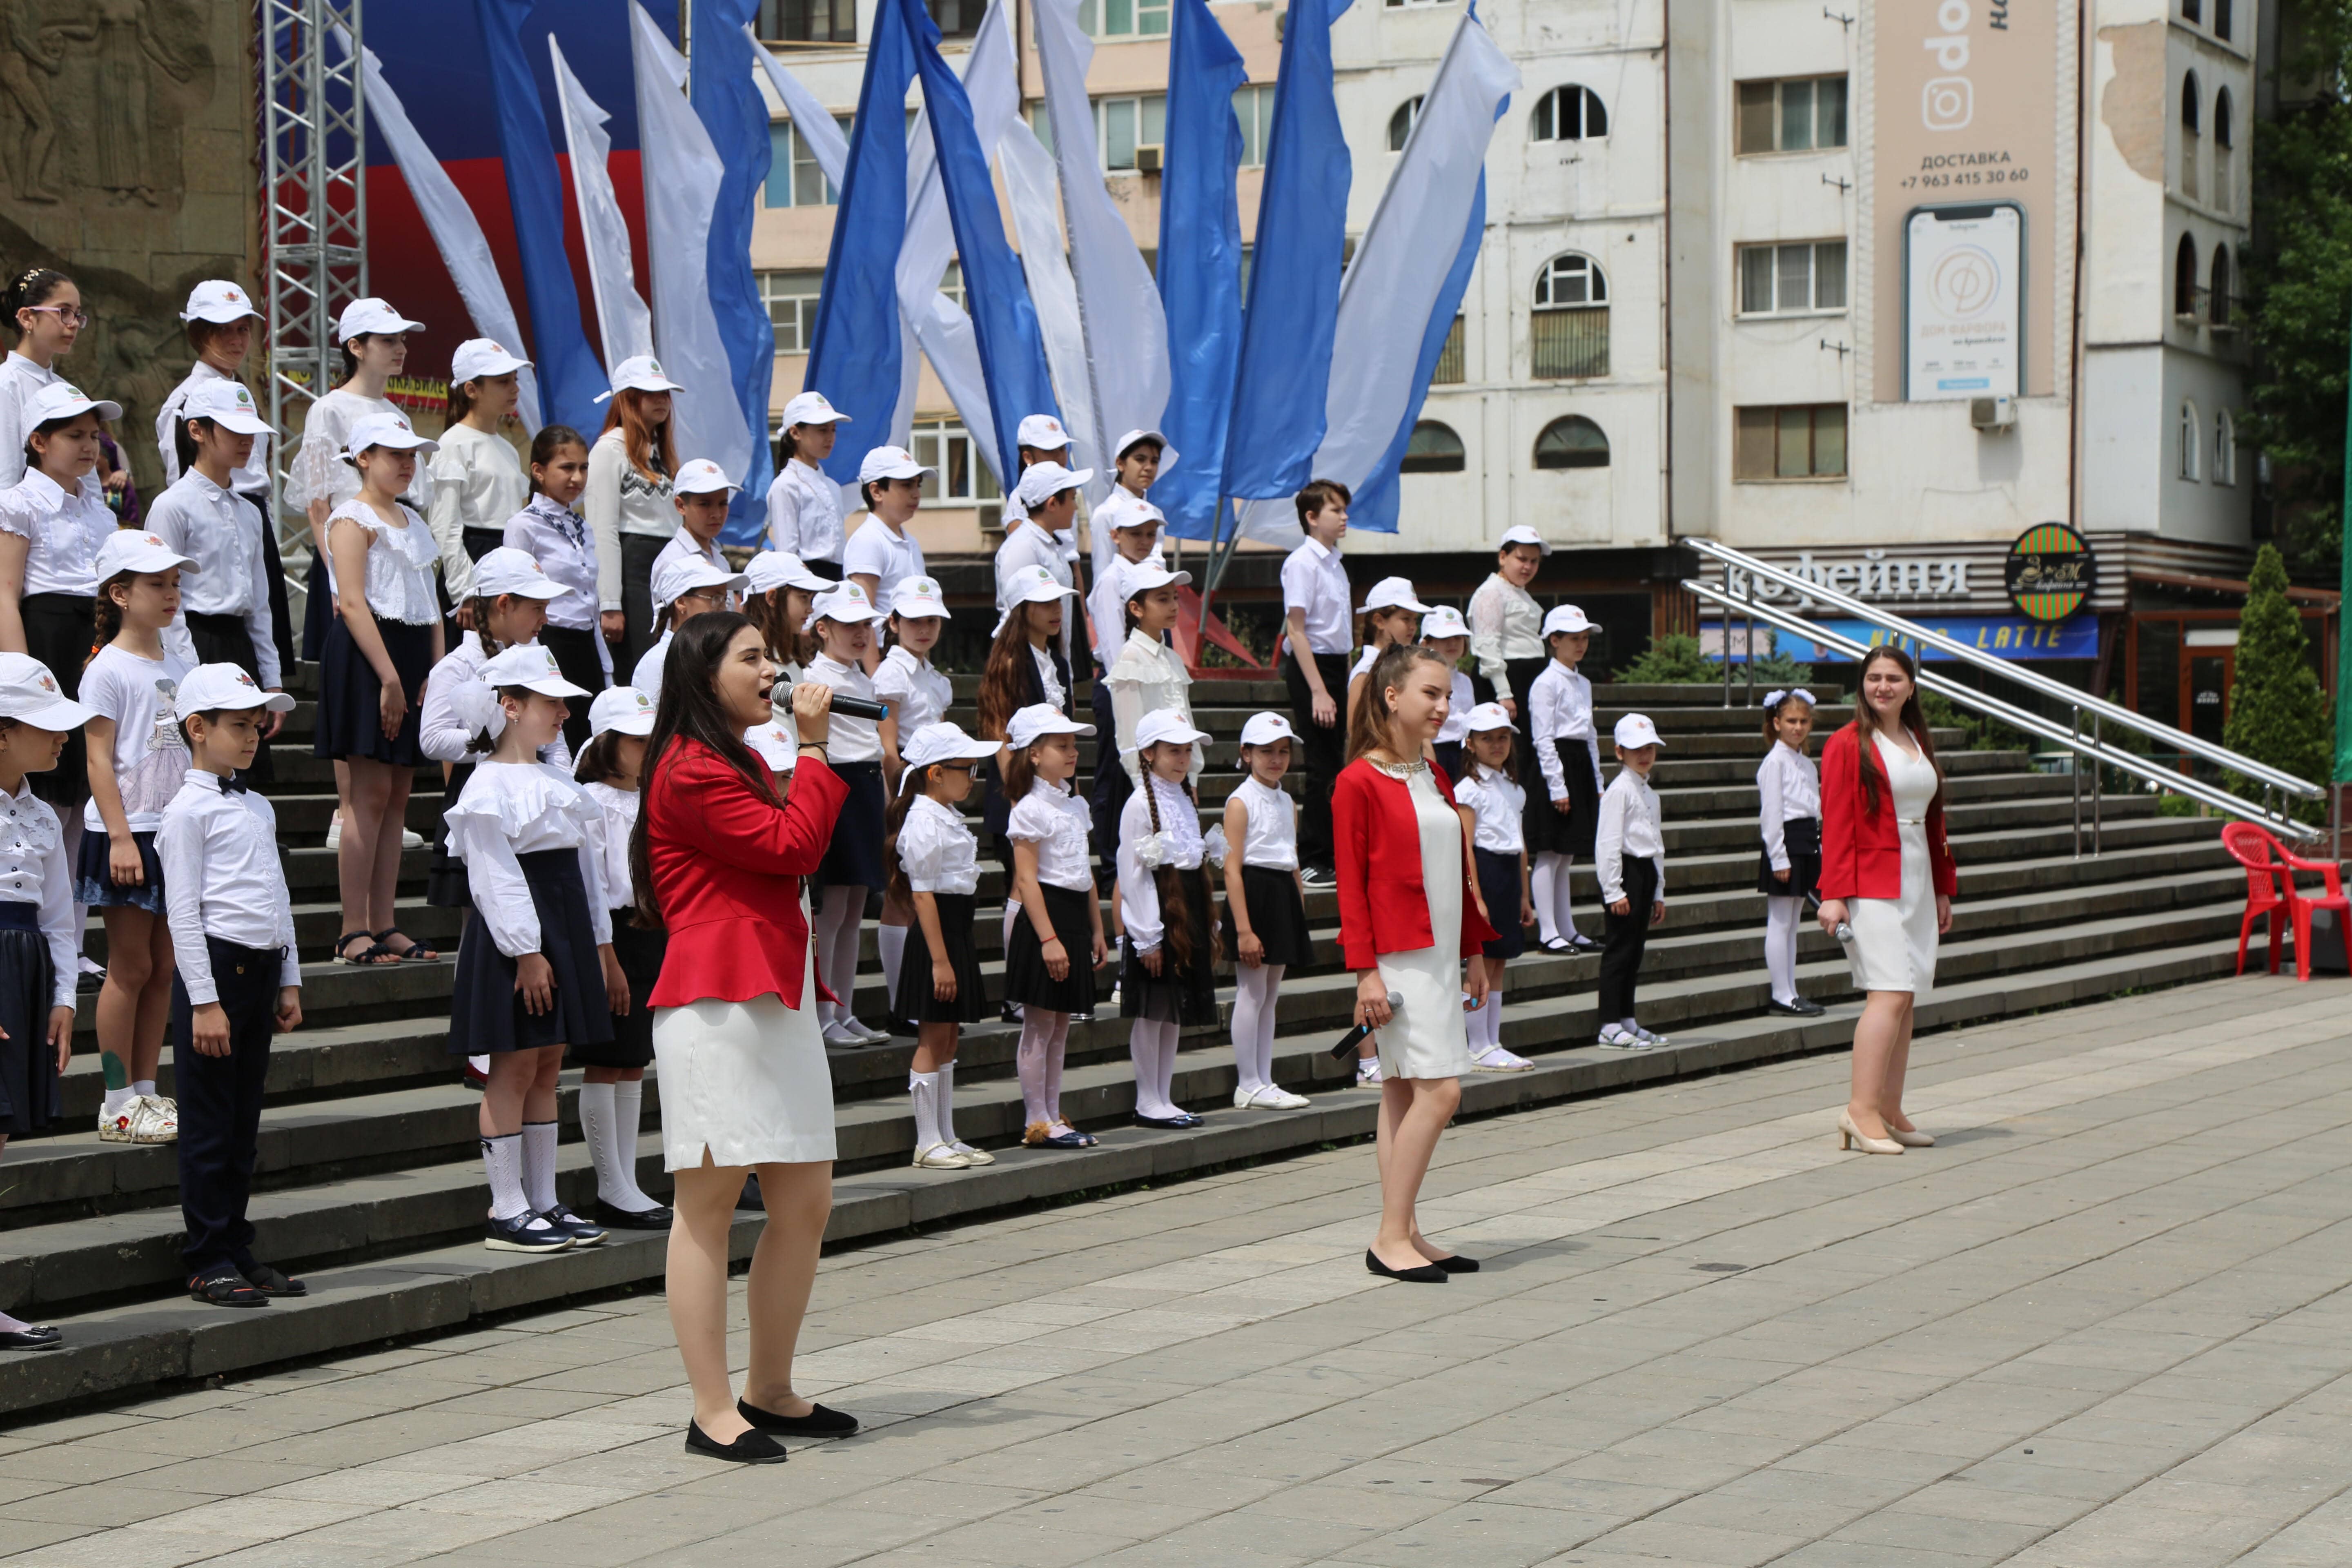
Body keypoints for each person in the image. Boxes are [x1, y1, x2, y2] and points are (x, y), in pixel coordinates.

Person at [635, 610, 857, 1463]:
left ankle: (770, 1387)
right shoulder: (689, 771)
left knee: (806, 1200)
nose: (774, 670)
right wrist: (812, 747)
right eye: (753, 658)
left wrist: (805, 753)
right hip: (717, 1006)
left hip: (777, 995)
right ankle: (710, 1406)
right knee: (710, 1205)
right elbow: (794, 844)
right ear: (703, 674)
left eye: (771, 655)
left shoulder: (729, 759)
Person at [445, 645, 618, 1253]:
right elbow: (493, 875)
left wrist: (598, 943)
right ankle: (507, 1205)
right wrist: (526, 951)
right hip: (520, 933)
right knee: (514, 1064)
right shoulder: (488, 783)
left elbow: (585, 872)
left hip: (562, 922)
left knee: (548, 1062)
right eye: (551, 702)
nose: (563, 712)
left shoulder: (556, 779)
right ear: (510, 707)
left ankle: (544, 1199)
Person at [1334, 644, 1494, 1283]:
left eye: (1449, 695)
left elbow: (1456, 867)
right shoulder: (1357, 782)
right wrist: (1364, 972)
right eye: (1432, 693)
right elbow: (1350, 887)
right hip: (1398, 960)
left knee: (1403, 1090)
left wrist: (1474, 950)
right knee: (1442, 1089)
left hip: (1441, 954)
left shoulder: (1432, 773)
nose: (1444, 706)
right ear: (1392, 696)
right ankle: (1389, 1236)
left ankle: (1405, 1229)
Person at [158, 663, 304, 1308]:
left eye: (256, 725)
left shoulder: (257, 804)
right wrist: (204, 1001)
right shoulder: (187, 812)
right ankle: (207, 1255)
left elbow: (277, 895)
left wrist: (290, 977)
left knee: (243, 1122)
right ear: (198, 729)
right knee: (210, 1122)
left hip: (261, 968)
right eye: (239, 725)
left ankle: (237, 1246)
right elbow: (183, 913)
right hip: (217, 972)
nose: (253, 736)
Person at [284, 298, 431, 857]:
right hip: (348, 569)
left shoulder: (397, 414)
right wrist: (335, 575)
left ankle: (379, 809)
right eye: (387, 339)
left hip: (393, 571)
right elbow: (319, 503)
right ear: (354, 346)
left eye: (403, 339)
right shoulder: (329, 409)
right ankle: (345, 808)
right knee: (354, 693)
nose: (400, 348)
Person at [79, 530, 200, 1144]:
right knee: (128, 967)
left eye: (175, 582)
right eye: (157, 583)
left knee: (164, 968)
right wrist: (122, 836)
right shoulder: (106, 668)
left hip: (175, 831)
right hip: (128, 833)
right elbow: (99, 760)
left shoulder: (181, 661)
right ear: (120, 593)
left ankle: (149, 1093)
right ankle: (115, 1098)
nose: (171, 593)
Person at [317, 413, 446, 967]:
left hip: (413, 657)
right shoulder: (351, 518)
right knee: (366, 798)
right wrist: (389, 676)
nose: (405, 462)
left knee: (397, 799)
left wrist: (435, 674)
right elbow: (350, 602)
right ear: (363, 457)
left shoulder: (414, 521)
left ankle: (384, 920)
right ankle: (353, 928)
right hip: (369, 658)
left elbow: (431, 603)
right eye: (392, 452)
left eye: (411, 453)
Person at [1817, 644, 1956, 1155]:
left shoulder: (1916, 740)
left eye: (1893, 678)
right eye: (1873, 678)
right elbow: (1834, 823)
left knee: (1908, 995)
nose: (1883, 687)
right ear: (1862, 685)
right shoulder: (1847, 743)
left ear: (1911, 687)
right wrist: (1833, 895)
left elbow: (1935, 818)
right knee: (1890, 993)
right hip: (1870, 882)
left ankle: (1890, 1107)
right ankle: (1860, 1110)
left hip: (1917, 876)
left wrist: (1943, 887)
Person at [0, 381, 119, 905]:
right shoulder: (19, 503)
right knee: (48, 790)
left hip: (95, 643)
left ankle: (69, 942)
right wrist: (23, 675)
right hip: (45, 637)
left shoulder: (101, 512)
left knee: (83, 793)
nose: (90, 447)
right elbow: (6, 592)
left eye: (94, 436)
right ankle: (31, 918)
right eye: (75, 435)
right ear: (39, 441)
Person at [0, 654, 88, 1351]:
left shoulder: (39, 810)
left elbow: (59, 916)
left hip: (24, 974)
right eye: (45, 726)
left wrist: (62, 997)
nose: (62, 739)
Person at [419, 548, 575, 917]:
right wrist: (496, 739)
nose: (545, 619)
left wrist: (562, 779)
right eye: (537, 608)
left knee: (538, 904)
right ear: (504, 604)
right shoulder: (457, 665)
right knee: (484, 910)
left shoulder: (536, 659)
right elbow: (433, 738)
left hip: (536, 793)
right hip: (481, 794)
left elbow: (558, 734)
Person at [154, 280, 293, 677]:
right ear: (199, 334)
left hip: (249, 517)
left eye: (243, 329)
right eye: (223, 329)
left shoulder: (239, 389)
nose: (236, 340)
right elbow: (179, 475)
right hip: (205, 522)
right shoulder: (185, 401)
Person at [150, 379, 284, 783]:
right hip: (193, 642)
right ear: (197, 431)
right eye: (234, 431)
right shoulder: (173, 505)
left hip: (239, 645)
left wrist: (272, 680)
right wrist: (191, 675)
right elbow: (165, 603)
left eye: (251, 433)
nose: (247, 442)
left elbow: (259, 603)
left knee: (244, 778)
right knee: (193, 775)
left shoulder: (249, 512)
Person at [574, 684, 672, 1228]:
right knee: (608, 1060)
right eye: (636, 740)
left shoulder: (651, 798)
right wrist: (605, 955)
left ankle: (627, 1181)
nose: (646, 748)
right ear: (607, 743)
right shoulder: (589, 800)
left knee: (634, 1059)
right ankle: (610, 1184)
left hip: (649, 928)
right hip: (611, 934)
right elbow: (591, 887)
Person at [887, 721, 1002, 1169]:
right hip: (936, 938)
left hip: (956, 931)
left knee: (950, 1036)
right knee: (933, 1036)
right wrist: (939, 961)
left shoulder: (946, 815)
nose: (972, 778)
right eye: (965, 769)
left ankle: (947, 1134)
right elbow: (922, 894)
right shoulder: (923, 820)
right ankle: (926, 1140)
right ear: (935, 772)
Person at [1000, 703, 1106, 1147]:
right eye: (1061, 745)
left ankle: (1053, 1113)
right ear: (1035, 754)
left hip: (1073, 913)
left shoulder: (1074, 803)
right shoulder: (1029, 809)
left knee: (1061, 1024)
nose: (1072, 752)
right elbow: (1026, 878)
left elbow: (1085, 871)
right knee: (1040, 1023)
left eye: (1074, 745)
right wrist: (1048, 938)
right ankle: (1036, 1119)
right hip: (1043, 916)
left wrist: (1099, 929)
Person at [1118, 710, 1220, 1130]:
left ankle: (1165, 1093)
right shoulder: (1140, 803)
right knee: (1153, 1009)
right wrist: (1148, 937)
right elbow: (1133, 874)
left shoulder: (1182, 795)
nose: (1182, 758)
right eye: (1173, 750)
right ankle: (1147, 1098)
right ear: (1149, 753)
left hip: (1188, 905)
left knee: (1174, 1008)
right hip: (1160, 910)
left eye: (1186, 750)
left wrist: (1208, 918)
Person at [978, 568, 1080, 980]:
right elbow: (999, 731)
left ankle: (1044, 979)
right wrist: (1018, 792)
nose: (1056, 611)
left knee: (1052, 885)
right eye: (1045, 603)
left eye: (1058, 602)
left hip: (1054, 792)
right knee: (1021, 887)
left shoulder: (1058, 660)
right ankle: (1019, 983)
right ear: (1022, 610)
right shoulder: (1008, 659)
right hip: (1020, 790)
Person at [801, 583, 890, 1046]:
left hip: (868, 785)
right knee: (833, 909)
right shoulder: (816, 678)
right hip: (839, 786)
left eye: (866, 625)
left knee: (855, 909)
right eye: (849, 625)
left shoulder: (861, 676)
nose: (861, 633)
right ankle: (822, 1013)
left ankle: (845, 1009)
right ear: (822, 628)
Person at [1219, 713, 1312, 1110]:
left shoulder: (1287, 800)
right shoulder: (1240, 802)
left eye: (1283, 751)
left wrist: (1298, 907)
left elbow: (1291, 861)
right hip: (1254, 893)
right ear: (1247, 753)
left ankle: (1264, 1078)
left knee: (1270, 994)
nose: (1276, 759)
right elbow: (1231, 867)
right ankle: (1247, 1082)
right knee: (1252, 991)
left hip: (1282, 895)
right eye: (1266, 751)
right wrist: (1243, 929)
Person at [873, 577, 953, 1011]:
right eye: (914, 620)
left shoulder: (933, 676)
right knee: (901, 894)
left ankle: (918, 994)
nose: (924, 629)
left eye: (932, 621)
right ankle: (898, 1000)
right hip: (907, 785)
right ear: (894, 622)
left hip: (935, 785)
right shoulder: (892, 671)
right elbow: (888, 747)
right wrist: (898, 798)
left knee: (926, 890)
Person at [502, 425, 606, 754]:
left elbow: (591, 598)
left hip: (586, 642)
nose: (577, 477)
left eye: (584, 467)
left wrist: (605, 662)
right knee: (559, 743)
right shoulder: (524, 525)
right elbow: (516, 593)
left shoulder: (583, 527)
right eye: (567, 467)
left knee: (590, 743)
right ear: (538, 471)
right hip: (550, 641)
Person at [586, 355, 685, 674]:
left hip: (669, 570)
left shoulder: (662, 454)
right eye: (650, 393)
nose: (662, 400)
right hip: (634, 571)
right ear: (628, 398)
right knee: (643, 669)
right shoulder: (608, 449)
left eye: (665, 393)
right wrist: (611, 604)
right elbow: (602, 529)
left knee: (675, 666)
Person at [1455, 704, 1536, 1073]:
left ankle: (1492, 1041)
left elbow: (1519, 843)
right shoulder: (1469, 789)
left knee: (1500, 960)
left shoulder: (1513, 788)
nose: (1497, 745)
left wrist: (1524, 895)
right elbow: (1465, 846)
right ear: (1470, 744)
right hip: (1484, 872)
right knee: (1481, 964)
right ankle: (1476, 1044)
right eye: (1487, 738)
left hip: (1507, 873)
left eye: (1503, 737)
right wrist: (1475, 897)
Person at [1280, 480, 1352, 889]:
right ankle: (1311, 855)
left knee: (1335, 766)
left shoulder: (1335, 563)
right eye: (1335, 510)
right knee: (1321, 765)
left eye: (1345, 510)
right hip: (1313, 669)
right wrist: (1319, 690)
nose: (1344, 517)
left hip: (1336, 666)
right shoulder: (1302, 563)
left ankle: (1330, 852)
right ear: (1311, 517)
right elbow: (1297, 630)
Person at [426, 339, 532, 608]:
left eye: (515, 380)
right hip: (473, 562)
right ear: (472, 390)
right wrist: (466, 591)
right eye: (503, 382)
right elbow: (445, 526)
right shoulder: (453, 443)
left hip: (506, 564)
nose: (514, 389)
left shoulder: (508, 450)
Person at [1527, 604, 1602, 955]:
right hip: (1554, 767)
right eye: (1574, 639)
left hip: (1580, 765)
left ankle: (1567, 928)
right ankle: (1547, 931)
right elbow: (1543, 738)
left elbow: (1589, 735)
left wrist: (1597, 782)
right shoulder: (1545, 683)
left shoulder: (1583, 682)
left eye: (1585, 638)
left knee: (1567, 854)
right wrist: (1558, 785)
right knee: (1549, 852)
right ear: (1554, 641)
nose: (1581, 645)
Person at [1595, 713, 1668, 1051]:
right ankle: (1609, 1024)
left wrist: (1658, 891)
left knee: (1635, 950)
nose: (1645, 754)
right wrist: (1613, 890)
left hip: (1645, 872)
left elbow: (1656, 843)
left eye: (1650, 748)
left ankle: (1627, 1018)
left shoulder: (1649, 793)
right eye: (1637, 749)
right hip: (1625, 871)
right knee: (1619, 951)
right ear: (1619, 752)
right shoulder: (1618, 791)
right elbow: (1608, 842)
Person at [0, 269, 101, 495]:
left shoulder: (66, 389)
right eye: (64, 312)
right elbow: (5, 478)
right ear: (27, 318)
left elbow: (89, 481)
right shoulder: (6, 384)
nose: (73, 324)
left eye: (77, 314)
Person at [1757, 688, 1824, 1018]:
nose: (1798, 727)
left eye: (1803, 721)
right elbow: (1771, 813)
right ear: (1777, 723)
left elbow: (1814, 805)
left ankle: (1791, 990)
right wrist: (1778, 857)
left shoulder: (1804, 762)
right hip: (1786, 842)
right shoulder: (1775, 762)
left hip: (1806, 839)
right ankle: (1780, 994)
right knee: (1780, 921)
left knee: (1794, 923)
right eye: (1791, 721)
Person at [842, 447, 931, 668]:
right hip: (884, 658)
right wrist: (875, 678)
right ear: (877, 491)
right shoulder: (868, 540)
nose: (916, 493)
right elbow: (863, 616)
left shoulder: (912, 542)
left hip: (911, 659)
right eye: (906, 485)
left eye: (917, 484)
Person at [995, 461, 1087, 671]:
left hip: (1051, 665)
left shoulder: (1051, 545)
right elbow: (1015, 615)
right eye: (1072, 499)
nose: (1075, 507)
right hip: (1026, 669)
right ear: (1053, 504)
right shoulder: (1022, 547)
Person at [1467, 523, 1549, 729]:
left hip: (1529, 677)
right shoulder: (1492, 592)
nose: (1528, 567)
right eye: (1522, 559)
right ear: (1503, 557)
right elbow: (1487, 645)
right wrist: (1504, 693)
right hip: (1508, 681)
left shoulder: (1520, 593)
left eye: (1534, 561)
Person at [631, 556, 749, 697]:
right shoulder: (658, 662)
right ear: (681, 603)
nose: (723, 608)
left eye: (725, 599)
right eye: (715, 599)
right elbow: (654, 719)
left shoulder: (719, 654)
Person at [762, 390, 850, 574]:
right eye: (822, 430)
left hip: (837, 578)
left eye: (833, 430)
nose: (830, 437)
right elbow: (787, 552)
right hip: (806, 580)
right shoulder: (786, 485)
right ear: (795, 432)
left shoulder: (832, 487)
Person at [740, 550, 833, 713]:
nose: (810, 609)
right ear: (772, 598)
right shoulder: (745, 662)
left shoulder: (791, 656)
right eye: (804, 597)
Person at [1345, 577, 1432, 728]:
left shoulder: (1406, 665)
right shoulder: (1365, 672)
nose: (1413, 627)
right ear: (1379, 621)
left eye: (1415, 620)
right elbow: (1356, 731)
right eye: (1406, 619)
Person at [651, 459, 739, 588]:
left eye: (723, 504)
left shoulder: (720, 560)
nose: (717, 514)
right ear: (681, 506)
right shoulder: (673, 562)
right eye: (705, 504)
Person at [1422, 606, 1476, 783]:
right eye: (1444, 638)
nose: (1453, 643)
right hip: (1437, 751)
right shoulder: (1422, 680)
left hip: (1464, 753)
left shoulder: (1466, 681)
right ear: (1426, 644)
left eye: (1458, 638)